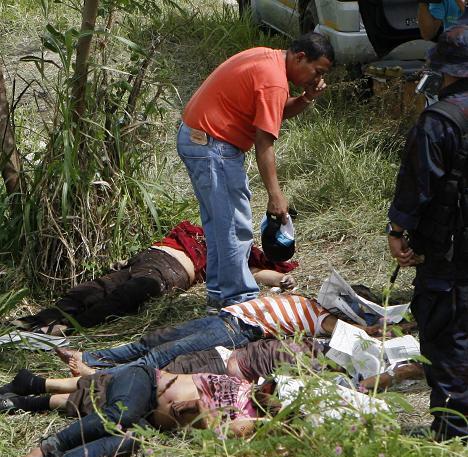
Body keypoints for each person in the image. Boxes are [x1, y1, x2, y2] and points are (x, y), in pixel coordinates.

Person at [177, 33, 334, 309]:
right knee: (234, 227)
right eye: (317, 71)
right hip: (212, 145)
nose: (318, 78)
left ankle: (221, 295)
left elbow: (273, 109)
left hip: (196, 137)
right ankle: (239, 301)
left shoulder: (269, 59)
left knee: (220, 225)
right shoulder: (274, 80)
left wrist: (307, 97)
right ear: (300, 57)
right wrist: (275, 195)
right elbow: (264, 143)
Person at [387, 24, 468, 440]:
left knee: (446, 335)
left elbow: (417, 186)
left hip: (450, 253)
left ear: (446, 70)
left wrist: (398, 229)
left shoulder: (439, 121)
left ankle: (453, 429)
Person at [12, 221, 297, 334]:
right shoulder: (201, 229)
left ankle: (68, 328)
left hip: (168, 273)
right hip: (148, 258)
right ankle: (36, 320)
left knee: (129, 293)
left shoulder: (238, 252)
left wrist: (281, 281)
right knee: (93, 288)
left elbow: (258, 273)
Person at [2, 366, 278, 457]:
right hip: (145, 381)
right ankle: (41, 451)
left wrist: (200, 409)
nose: (267, 391)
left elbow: (215, 431)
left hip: (149, 420)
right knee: (119, 415)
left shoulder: (249, 422)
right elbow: (205, 416)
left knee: (127, 441)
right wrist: (200, 409)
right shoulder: (241, 386)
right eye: (269, 387)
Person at [53, 293, 386, 378]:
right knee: (153, 341)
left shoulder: (321, 317)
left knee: (162, 355)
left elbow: (344, 332)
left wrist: (368, 331)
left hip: (236, 331)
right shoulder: (305, 300)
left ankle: (99, 377)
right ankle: (92, 357)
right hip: (225, 318)